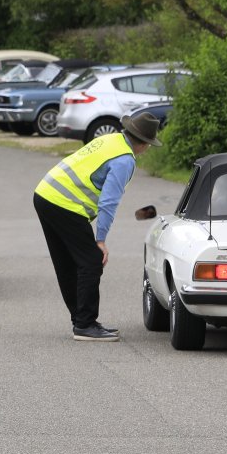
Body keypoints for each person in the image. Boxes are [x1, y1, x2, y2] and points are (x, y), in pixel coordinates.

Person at [32, 111, 160, 341]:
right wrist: (100, 240)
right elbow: (108, 202)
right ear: (144, 144)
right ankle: (85, 325)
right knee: (92, 260)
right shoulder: (125, 160)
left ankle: (81, 321)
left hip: (45, 194)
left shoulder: (111, 139)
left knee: (67, 263)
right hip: (65, 203)